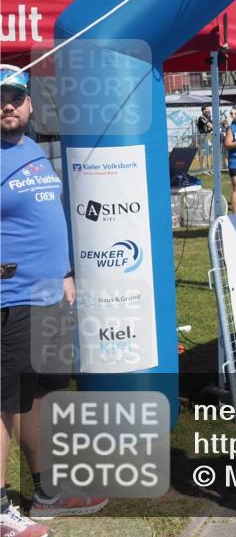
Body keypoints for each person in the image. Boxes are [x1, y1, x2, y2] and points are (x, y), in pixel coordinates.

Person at [1, 66, 108, 536]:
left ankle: (47, 490)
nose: (7, 104)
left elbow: (46, 219)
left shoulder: (33, 152)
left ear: (29, 104)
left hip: (48, 297)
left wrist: (64, 271)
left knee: (38, 395)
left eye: (15, 97)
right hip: (11, 299)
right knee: (4, 403)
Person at [196, 105, 213, 171]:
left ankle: (209, 167)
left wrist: (210, 127)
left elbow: (211, 126)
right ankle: (201, 168)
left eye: (208, 109)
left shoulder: (208, 117)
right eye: (206, 110)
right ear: (203, 111)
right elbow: (211, 126)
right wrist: (209, 126)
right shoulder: (202, 117)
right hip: (202, 135)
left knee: (209, 151)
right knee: (202, 151)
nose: (208, 111)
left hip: (208, 135)